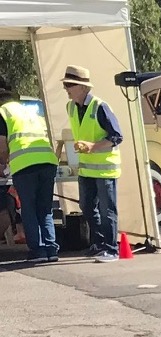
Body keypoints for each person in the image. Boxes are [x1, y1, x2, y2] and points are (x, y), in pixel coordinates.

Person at [63, 65, 122, 262]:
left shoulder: (100, 107)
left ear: (83, 87)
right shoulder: (71, 107)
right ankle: (99, 243)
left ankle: (111, 249)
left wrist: (93, 146)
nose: (66, 88)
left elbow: (117, 136)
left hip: (105, 170)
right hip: (86, 168)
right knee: (86, 207)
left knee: (107, 211)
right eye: (65, 84)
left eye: (70, 84)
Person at [0, 77, 58, 263]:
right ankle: (51, 249)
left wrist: (3, 163)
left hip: (25, 165)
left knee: (29, 209)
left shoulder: (2, 112)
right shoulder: (28, 110)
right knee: (45, 208)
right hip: (48, 162)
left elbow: (2, 146)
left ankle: (38, 251)